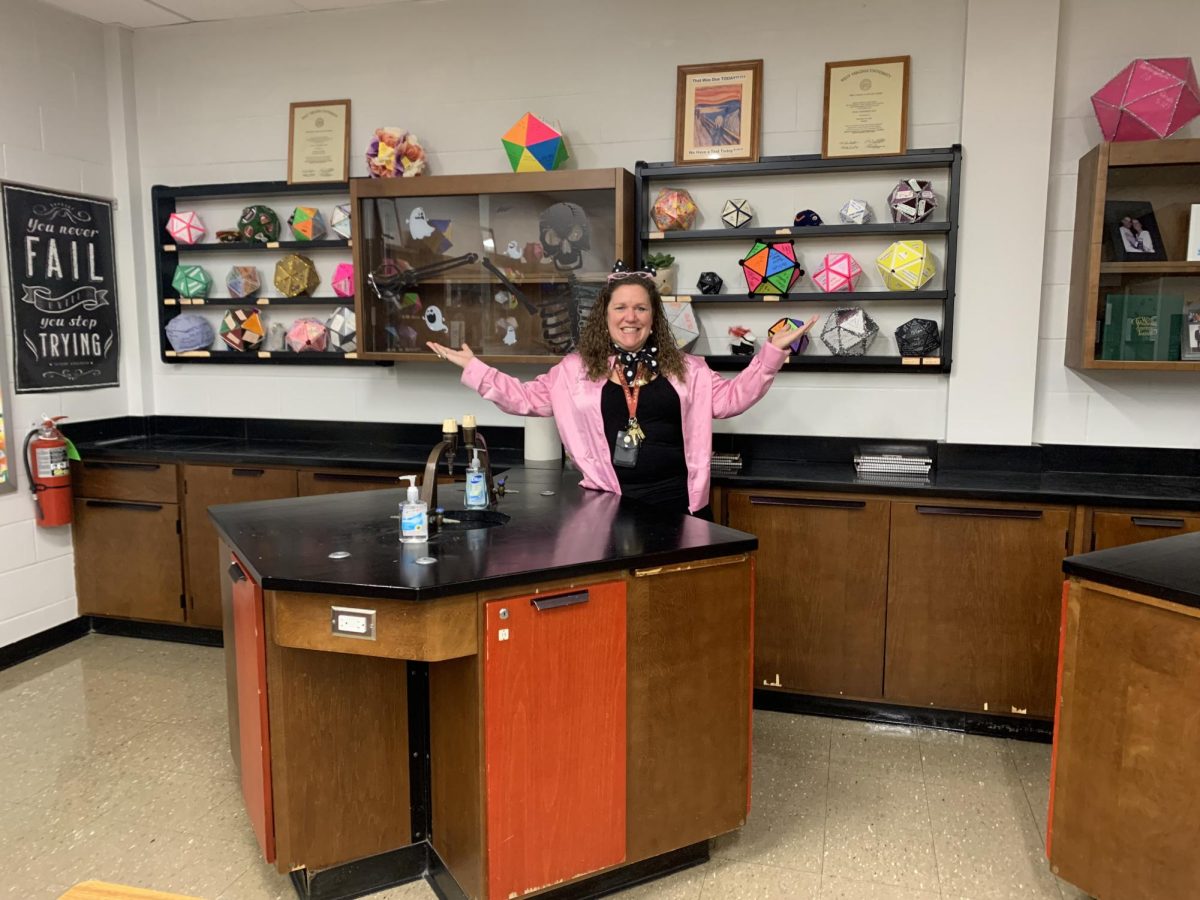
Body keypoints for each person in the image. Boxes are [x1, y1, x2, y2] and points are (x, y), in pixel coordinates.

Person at [428, 267, 817, 517]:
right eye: (621, 308)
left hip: (678, 502)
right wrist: (475, 369)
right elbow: (526, 398)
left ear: (653, 317)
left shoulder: (688, 369)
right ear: (606, 315)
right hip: (607, 504)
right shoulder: (574, 371)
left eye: (641, 309)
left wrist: (770, 354)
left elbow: (732, 400)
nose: (630, 317)